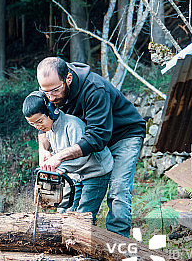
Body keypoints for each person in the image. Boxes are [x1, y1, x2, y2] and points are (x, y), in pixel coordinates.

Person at [36, 57, 146, 237]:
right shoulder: (49, 87)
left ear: (68, 79)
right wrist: (43, 150)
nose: (51, 97)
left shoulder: (95, 89)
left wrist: (59, 156)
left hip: (124, 135)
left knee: (118, 191)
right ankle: (80, 237)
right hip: (95, 139)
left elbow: (97, 136)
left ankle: (118, 246)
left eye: (55, 91)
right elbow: (41, 120)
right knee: (75, 183)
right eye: (45, 92)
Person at [22, 91, 112, 219]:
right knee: (65, 211)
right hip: (75, 174)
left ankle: (87, 236)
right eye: (32, 124)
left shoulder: (72, 125)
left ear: (51, 111)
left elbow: (82, 157)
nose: (37, 126)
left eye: (39, 121)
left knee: (84, 214)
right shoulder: (49, 129)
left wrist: (60, 168)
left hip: (95, 172)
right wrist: (49, 156)